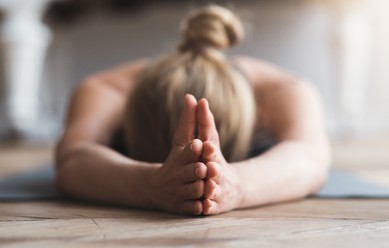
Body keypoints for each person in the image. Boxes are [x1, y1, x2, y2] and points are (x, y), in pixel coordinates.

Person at [55, 5, 331, 216]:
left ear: (254, 117)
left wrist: (234, 185)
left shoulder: (281, 89)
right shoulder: (106, 89)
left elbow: (310, 158)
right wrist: (152, 185)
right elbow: (72, 159)